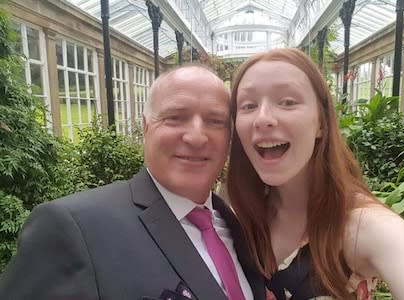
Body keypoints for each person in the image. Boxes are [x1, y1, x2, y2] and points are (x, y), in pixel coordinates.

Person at [0, 65, 265, 300]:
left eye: (215, 121)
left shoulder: (236, 225)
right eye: (175, 117)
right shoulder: (74, 228)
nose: (196, 137)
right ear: (146, 127)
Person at [226, 48, 404, 300]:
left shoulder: (365, 227)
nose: (263, 118)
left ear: (321, 123)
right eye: (248, 105)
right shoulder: (238, 216)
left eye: (288, 102)